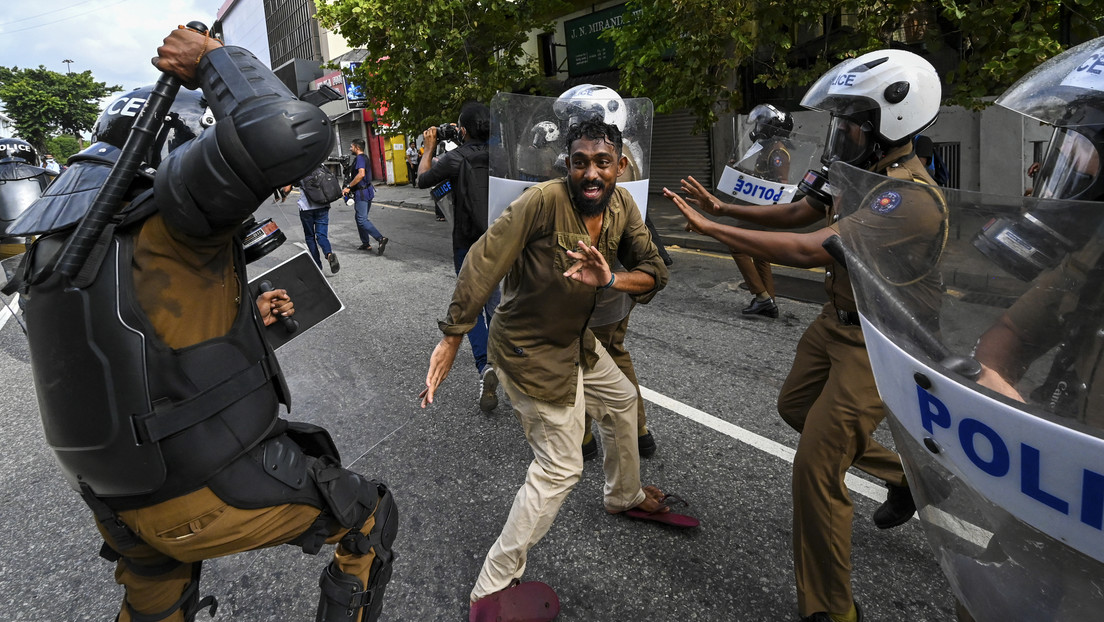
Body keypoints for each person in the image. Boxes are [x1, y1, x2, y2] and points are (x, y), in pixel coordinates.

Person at [3, 28, 396, 622]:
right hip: (204, 488)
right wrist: (217, 61)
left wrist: (246, 324)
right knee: (369, 516)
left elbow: (129, 349)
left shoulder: (58, 244)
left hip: (113, 500)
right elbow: (287, 132)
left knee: (153, 602)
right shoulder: (171, 217)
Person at [667, 49, 945, 622]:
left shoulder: (909, 198)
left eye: (850, 122)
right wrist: (724, 207)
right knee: (794, 406)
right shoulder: (855, 167)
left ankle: (829, 609)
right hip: (833, 325)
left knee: (815, 469)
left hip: (878, 342)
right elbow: (801, 215)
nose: (839, 132)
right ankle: (904, 479)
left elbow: (805, 249)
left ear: (891, 123)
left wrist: (713, 229)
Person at [421, 119, 689, 622]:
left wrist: (611, 276)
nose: (591, 173)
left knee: (623, 402)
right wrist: (453, 336)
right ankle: (491, 586)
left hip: (576, 339)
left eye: (602, 162)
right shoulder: (542, 201)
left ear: (619, 166)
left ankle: (623, 494)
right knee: (560, 468)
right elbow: (483, 260)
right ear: (567, 164)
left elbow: (656, 271)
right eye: (580, 161)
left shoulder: (623, 207)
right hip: (528, 350)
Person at [416, 101, 502, 413]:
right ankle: (508, 361)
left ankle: (486, 368)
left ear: (462, 130)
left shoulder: (455, 158)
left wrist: (428, 147)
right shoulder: (503, 158)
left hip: (468, 244)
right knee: (498, 306)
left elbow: (423, 179)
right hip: (502, 241)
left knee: (470, 310)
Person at [731, 104, 797, 318]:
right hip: (758, 208)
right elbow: (763, 177)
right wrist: (740, 171)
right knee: (760, 255)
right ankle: (768, 301)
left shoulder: (778, 152)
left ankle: (761, 296)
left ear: (771, 128)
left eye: (761, 123)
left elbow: (781, 184)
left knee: (736, 245)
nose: (757, 127)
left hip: (764, 211)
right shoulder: (769, 148)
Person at [282, 170, 340, 274]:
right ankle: (329, 254)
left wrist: (284, 193)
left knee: (310, 237)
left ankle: (317, 266)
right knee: (322, 235)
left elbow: (286, 189)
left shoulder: (300, 170)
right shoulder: (319, 166)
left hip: (307, 209)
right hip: (323, 205)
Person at [343, 138, 388, 255]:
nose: (350, 148)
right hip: (368, 191)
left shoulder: (359, 158)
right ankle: (365, 243)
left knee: (362, 219)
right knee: (360, 218)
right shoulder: (365, 157)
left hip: (362, 193)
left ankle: (380, 239)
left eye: (351, 146)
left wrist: (348, 187)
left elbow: (361, 174)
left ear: (357, 148)